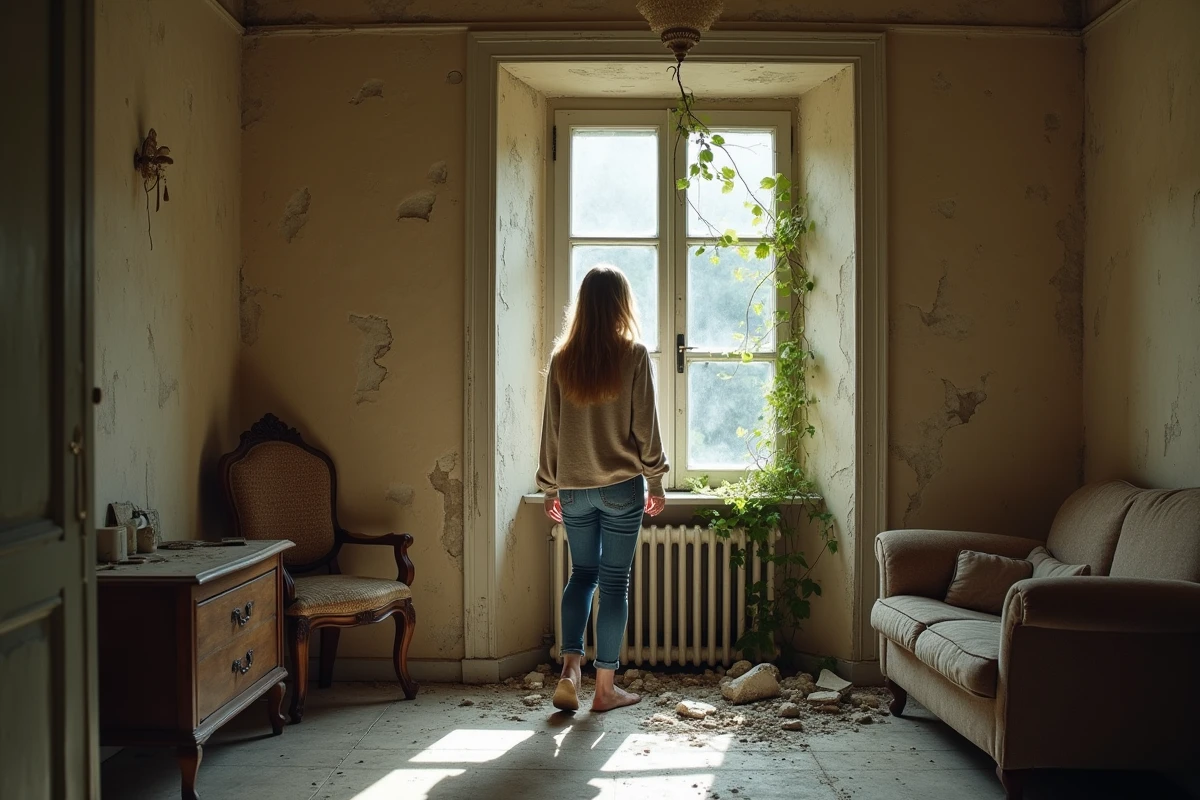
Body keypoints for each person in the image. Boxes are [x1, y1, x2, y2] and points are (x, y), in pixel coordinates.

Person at [537, 265, 669, 713]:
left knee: (581, 575)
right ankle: (605, 689)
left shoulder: (562, 358)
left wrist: (548, 487)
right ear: (621, 303)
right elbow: (645, 429)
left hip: (572, 488)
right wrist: (656, 480)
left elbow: (551, 431)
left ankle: (570, 669)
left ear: (583, 304)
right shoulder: (633, 354)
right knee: (614, 583)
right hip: (620, 488)